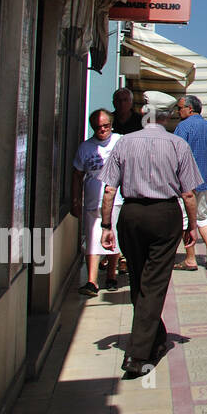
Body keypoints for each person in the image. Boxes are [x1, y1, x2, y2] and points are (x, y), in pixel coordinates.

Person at [99, 114, 203, 378]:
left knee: (138, 277)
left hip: (131, 214)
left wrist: (105, 225)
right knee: (154, 284)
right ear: (165, 118)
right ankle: (137, 354)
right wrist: (192, 225)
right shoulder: (177, 144)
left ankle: (156, 337)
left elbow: (110, 189)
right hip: (164, 214)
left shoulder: (124, 143)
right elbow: (188, 193)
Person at [71, 109, 122, 294]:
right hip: (93, 200)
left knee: (113, 236)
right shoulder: (86, 147)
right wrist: (75, 200)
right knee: (92, 238)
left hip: (116, 199)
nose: (102, 130)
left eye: (105, 126)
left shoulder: (120, 141)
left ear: (111, 125)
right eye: (98, 127)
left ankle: (111, 275)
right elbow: (77, 174)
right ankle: (92, 281)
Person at [172, 95, 207, 271]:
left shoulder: (182, 127)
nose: (178, 112)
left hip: (185, 184)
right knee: (203, 215)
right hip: (204, 180)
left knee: (186, 219)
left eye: (180, 108)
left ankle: (191, 258)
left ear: (190, 109)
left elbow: (174, 155)